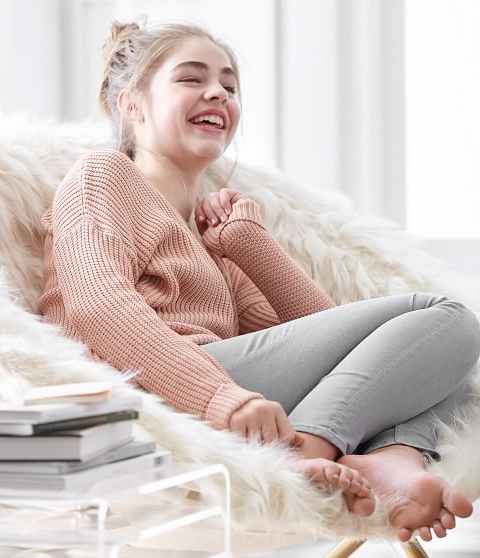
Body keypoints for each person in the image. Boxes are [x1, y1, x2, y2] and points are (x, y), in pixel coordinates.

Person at [38, 20, 480, 543]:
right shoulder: (103, 176)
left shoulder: (212, 234)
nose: (217, 92)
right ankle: (309, 449)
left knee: (437, 364)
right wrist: (226, 400)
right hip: (161, 388)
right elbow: (97, 308)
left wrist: (249, 244)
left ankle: (390, 458)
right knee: (448, 320)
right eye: (191, 78)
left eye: (229, 85)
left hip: (229, 383)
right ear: (131, 105)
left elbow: (331, 341)